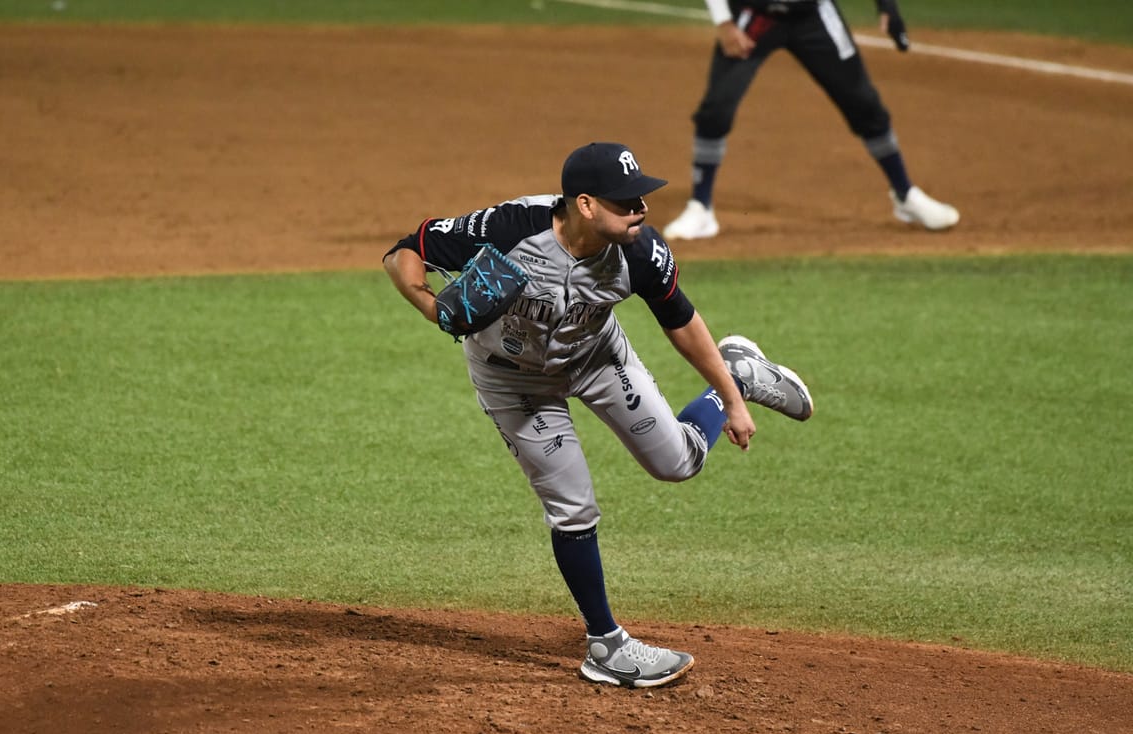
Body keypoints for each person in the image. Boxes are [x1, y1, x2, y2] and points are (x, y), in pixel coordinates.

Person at [383, 142, 814, 688]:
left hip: (597, 358)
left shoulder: (640, 252)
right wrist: (431, 305)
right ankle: (607, 644)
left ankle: (741, 371)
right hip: (513, 381)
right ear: (584, 204)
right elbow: (406, 249)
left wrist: (727, 397)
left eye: (642, 198)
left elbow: (682, 322)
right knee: (572, 505)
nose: (641, 210)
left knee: (678, 463)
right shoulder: (509, 228)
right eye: (626, 201)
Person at [663, 0, 959, 240]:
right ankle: (701, 207)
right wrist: (724, 23)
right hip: (753, 14)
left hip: (814, 14)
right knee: (716, 109)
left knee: (865, 105)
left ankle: (905, 194)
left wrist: (887, 6)